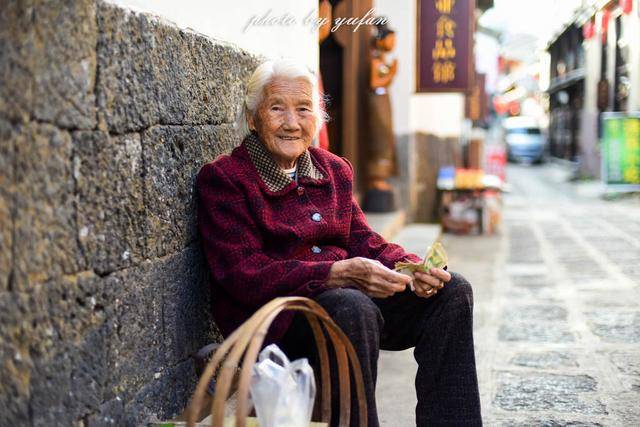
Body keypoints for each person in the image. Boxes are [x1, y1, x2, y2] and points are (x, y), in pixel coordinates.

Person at [196, 59, 482, 426]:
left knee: (453, 291)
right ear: (253, 118)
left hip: (348, 305)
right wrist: (333, 274)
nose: (291, 122)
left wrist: (415, 268)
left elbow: (364, 239)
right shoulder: (226, 179)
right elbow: (243, 273)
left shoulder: (333, 170)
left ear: (317, 119)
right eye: (277, 108)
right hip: (277, 322)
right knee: (351, 305)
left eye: (303, 109)